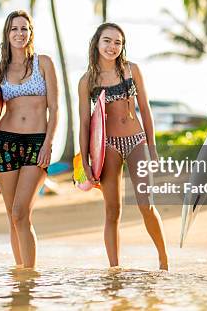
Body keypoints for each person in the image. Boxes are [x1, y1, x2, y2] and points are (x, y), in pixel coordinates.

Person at [77, 22, 169, 270]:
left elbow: (146, 110)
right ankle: (114, 269)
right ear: (97, 43)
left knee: (145, 204)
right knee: (112, 210)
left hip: (136, 140)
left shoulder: (132, 70)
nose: (112, 46)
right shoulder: (87, 80)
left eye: (118, 42)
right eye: (107, 41)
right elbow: (85, 122)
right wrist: (85, 160)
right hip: (108, 145)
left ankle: (163, 259)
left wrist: (152, 147)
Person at [0, 10, 58, 269]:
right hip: (5, 143)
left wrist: (48, 143)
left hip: (36, 144)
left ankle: (30, 274)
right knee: (12, 216)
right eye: (14, 29)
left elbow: (56, 108)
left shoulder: (44, 63)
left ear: (30, 33)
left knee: (21, 212)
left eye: (24, 28)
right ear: (7, 34)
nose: (19, 33)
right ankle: (21, 278)